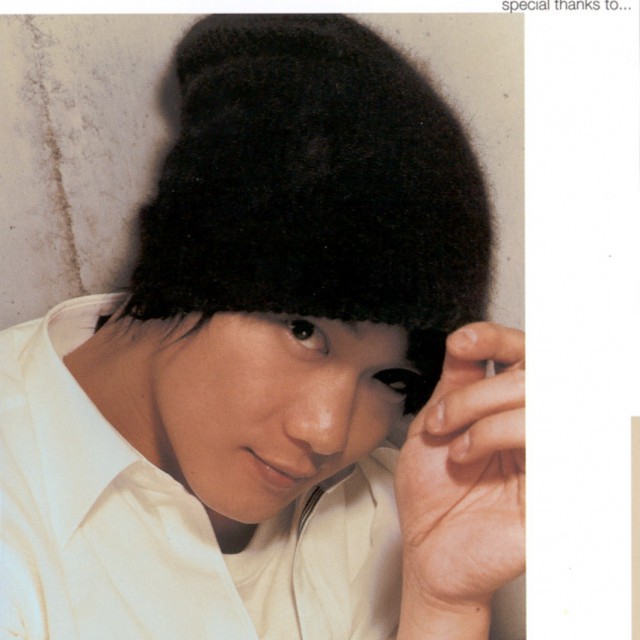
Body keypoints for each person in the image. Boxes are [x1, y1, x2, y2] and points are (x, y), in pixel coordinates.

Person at [0, 14, 525, 640]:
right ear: (187, 268)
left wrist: (446, 608)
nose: (326, 432)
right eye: (304, 331)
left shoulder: (391, 513)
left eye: (392, 378)